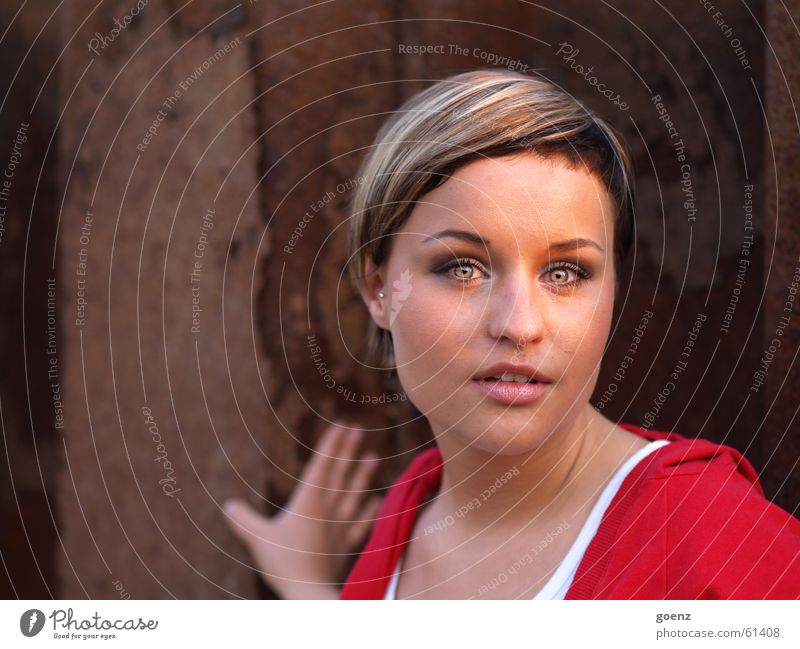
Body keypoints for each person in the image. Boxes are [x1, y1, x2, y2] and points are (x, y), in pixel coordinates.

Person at [225, 68, 800, 599]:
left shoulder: (711, 538)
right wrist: (305, 584)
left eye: (565, 272)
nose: (520, 325)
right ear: (379, 291)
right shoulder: (411, 510)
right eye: (462, 268)